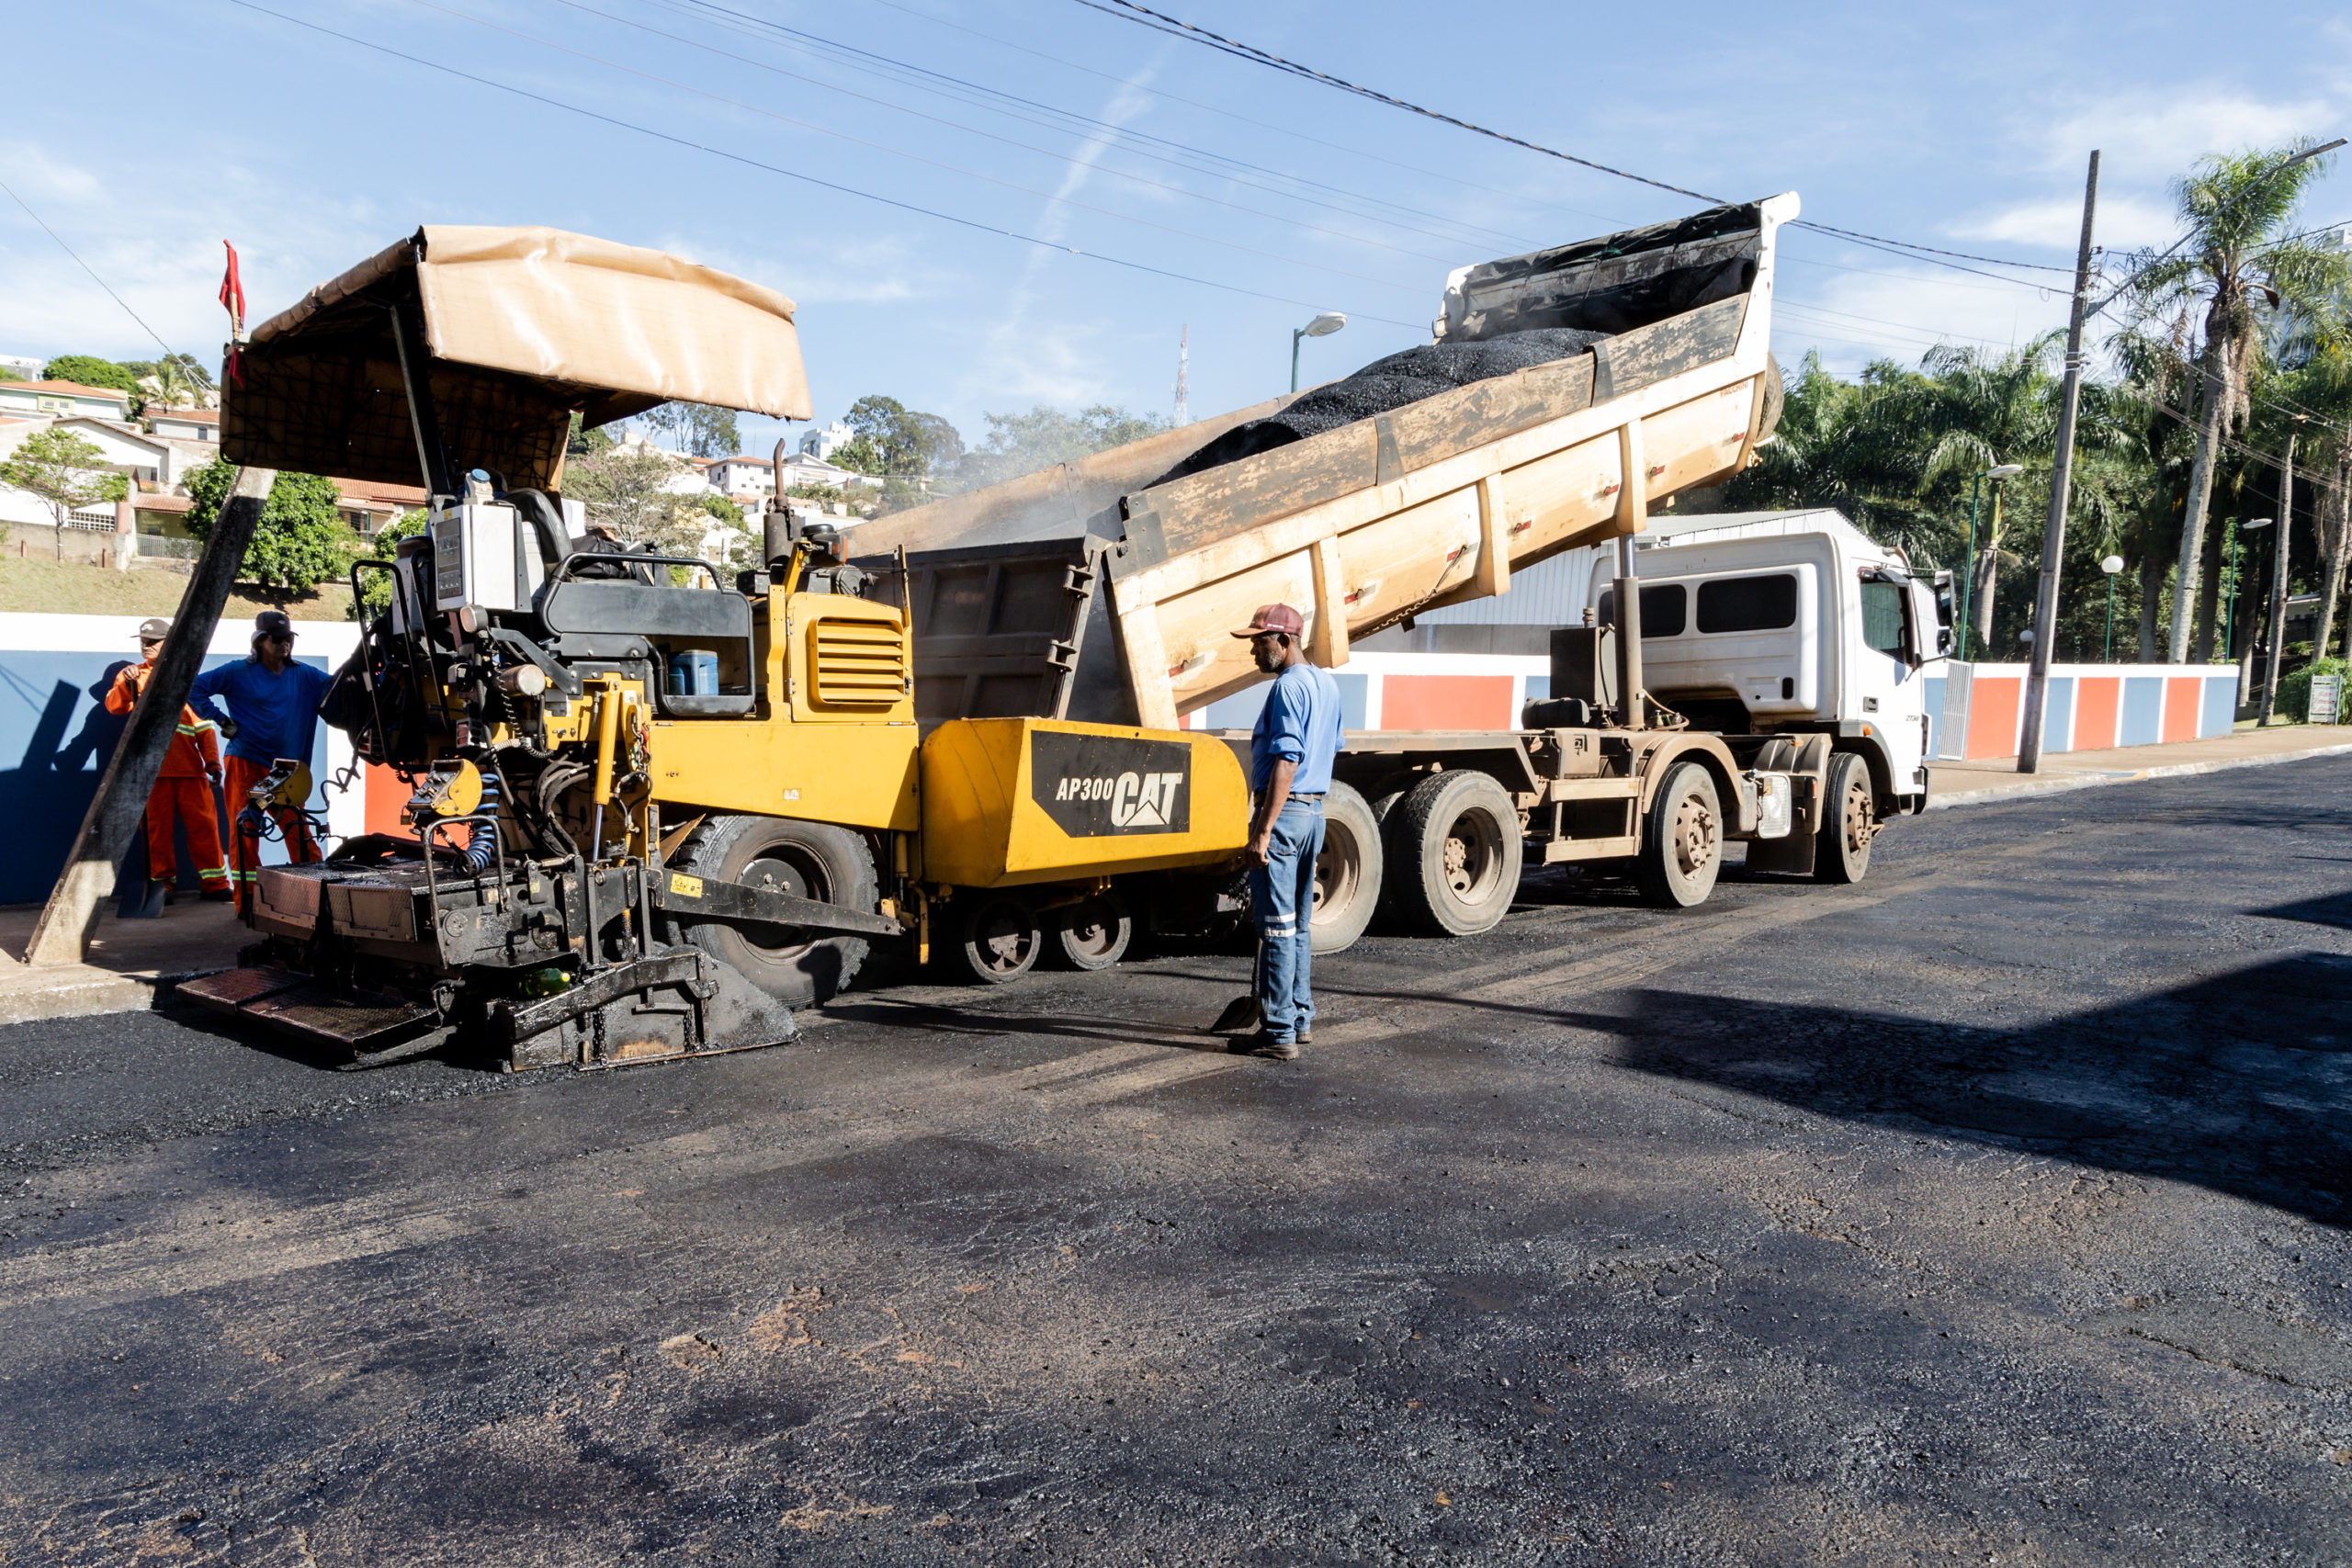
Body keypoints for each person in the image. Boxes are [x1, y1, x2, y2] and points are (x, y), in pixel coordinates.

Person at [1228, 603, 1344, 1061]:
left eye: (1260, 641)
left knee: (1276, 926)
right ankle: (1299, 1018)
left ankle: (1278, 1033)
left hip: (1286, 816)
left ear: (1284, 641)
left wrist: (1264, 830)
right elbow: (1332, 747)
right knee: (1296, 926)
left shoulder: (1287, 688)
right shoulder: (1326, 685)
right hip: (1313, 813)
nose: (1254, 651)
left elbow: (1288, 759)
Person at [191, 610, 334, 907]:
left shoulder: (304, 675)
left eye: (288, 638)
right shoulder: (236, 672)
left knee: (299, 831)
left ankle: (318, 897)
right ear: (260, 641)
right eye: (277, 639)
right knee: (245, 831)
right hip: (246, 764)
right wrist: (220, 719)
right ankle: (246, 902)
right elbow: (195, 689)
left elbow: (341, 688)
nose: (284, 644)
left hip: (286, 772)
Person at [103, 617, 232, 903]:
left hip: (191, 772)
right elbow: (114, 706)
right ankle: (161, 887)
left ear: (169, 643)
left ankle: (214, 885)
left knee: (205, 828)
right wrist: (126, 684)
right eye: (143, 641)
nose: (145, 646)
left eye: (153, 641)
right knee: (156, 833)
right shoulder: (132, 676)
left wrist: (212, 763)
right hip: (151, 774)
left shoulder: (186, 680)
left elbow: (203, 726)